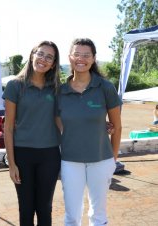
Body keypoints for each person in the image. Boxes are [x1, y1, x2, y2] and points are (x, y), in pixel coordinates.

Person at [57, 38, 122, 226]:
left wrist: (113, 158)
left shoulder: (105, 87)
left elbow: (116, 126)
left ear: (93, 59)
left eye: (86, 55)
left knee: (98, 213)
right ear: (70, 58)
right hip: (70, 160)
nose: (81, 59)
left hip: (102, 159)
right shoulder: (60, 91)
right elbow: (56, 124)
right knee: (71, 214)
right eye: (77, 54)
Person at [3, 40, 62, 226]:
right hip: (22, 155)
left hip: (50, 155)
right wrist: (12, 164)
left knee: (45, 208)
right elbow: (8, 127)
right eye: (41, 54)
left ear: (53, 64)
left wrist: (100, 125)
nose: (43, 59)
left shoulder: (57, 88)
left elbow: (65, 120)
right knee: (26, 209)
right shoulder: (15, 86)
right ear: (32, 55)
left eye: (49, 57)